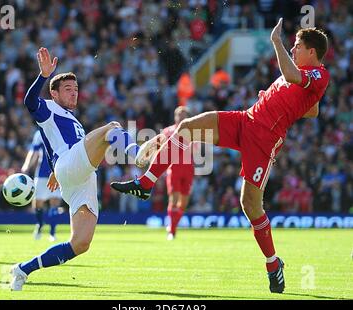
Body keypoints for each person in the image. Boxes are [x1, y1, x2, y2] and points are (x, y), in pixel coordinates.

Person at [111, 19, 330, 293]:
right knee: (186, 128)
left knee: (249, 204)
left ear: (312, 51)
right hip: (246, 120)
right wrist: (281, 102)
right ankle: (145, 183)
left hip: (264, 139)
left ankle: (273, 264)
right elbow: (312, 108)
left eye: (297, 46)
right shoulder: (303, 76)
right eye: (292, 45)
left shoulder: (319, 74)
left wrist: (277, 42)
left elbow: (295, 82)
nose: (293, 49)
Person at [10, 47, 142, 291]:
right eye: (68, 89)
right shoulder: (48, 108)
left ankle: (22, 270)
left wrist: (53, 170)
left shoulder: (72, 118)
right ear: (54, 93)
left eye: (76, 89)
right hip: (72, 167)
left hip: (79, 178)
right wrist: (43, 75)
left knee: (80, 244)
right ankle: (140, 156)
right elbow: (29, 102)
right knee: (111, 127)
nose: (74, 93)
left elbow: (55, 144)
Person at [21, 130, 62, 241]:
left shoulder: (60, 130)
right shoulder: (40, 133)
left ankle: (52, 233)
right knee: (37, 203)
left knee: (55, 202)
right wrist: (26, 165)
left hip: (58, 172)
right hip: (42, 173)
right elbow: (33, 151)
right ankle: (39, 224)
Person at [162, 107, 195, 240]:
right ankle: (172, 230)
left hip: (188, 170)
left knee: (184, 203)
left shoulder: (193, 131)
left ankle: (172, 226)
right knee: (174, 200)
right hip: (173, 168)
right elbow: (162, 149)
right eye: (179, 115)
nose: (181, 117)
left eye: (184, 115)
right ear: (175, 117)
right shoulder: (168, 131)